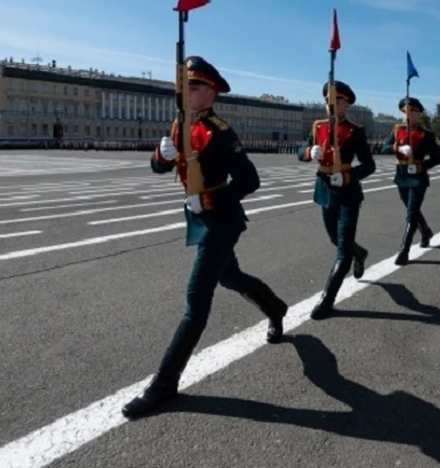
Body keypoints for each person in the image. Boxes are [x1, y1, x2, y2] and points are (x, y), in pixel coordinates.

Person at [122, 56, 289, 419]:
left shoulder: (220, 132)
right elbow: (159, 167)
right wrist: (161, 156)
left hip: (221, 220)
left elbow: (250, 181)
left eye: (194, 86)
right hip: (199, 217)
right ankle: (275, 307)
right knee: (231, 277)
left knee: (197, 298)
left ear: (211, 92)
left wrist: (210, 198)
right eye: (184, 85)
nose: (186, 91)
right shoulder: (181, 122)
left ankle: (164, 384)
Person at [298, 80, 376, 320]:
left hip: (347, 193)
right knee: (335, 238)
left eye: (337, 101)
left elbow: (369, 165)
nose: (330, 105)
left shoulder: (354, 130)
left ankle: (327, 300)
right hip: (324, 189)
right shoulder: (318, 126)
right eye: (327, 100)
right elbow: (301, 151)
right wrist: (309, 152)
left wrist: (348, 176)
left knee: (343, 250)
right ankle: (360, 253)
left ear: (346, 104)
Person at [381, 97, 440, 265]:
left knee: (411, 213)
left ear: (418, 113)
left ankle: (404, 250)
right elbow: (384, 148)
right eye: (405, 112)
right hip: (401, 175)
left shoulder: (426, 134)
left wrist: (421, 166)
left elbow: (437, 158)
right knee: (412, 209)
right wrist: (398, 147)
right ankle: (426, 231)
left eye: (412, 112)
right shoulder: (396, 131)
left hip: (418, 177)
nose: (408, 115)